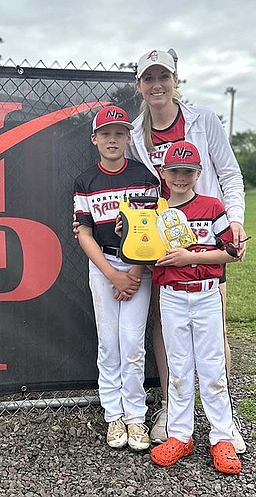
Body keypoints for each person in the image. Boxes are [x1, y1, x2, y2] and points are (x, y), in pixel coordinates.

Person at [128, 49, 247, 450]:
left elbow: (229, 172)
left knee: (216, 326)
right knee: (166, 326)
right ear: (140, 86)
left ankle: (224, 421)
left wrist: (235, 221)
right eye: (149, 78)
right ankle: (172, 409)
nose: (157, 84)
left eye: (164, 76)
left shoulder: (204, 119)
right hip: (163, 241)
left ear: (177, 79)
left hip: (207, 235)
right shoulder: (133, 134)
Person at [148, 140, 243, 475]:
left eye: (188, 172)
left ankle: (222, 437)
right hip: (172, 295)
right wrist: (127, 229)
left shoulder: (212, 206)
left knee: (213, 367)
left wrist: (192, 257)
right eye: (175, 171)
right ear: (164, 172)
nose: (181, 178)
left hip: (205, 294)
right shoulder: (156, 212)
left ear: (198, 173)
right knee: (179, 367)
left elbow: (231, 252)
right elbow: (140, 248)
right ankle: (180, 434)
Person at [73, 105, 159, 452]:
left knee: (133, 344)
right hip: (104, 265)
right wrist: (112, 274)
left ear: (129, 137)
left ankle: (136, 416)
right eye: (106, 133)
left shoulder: (143, 177)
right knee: (109, 342)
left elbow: (151, 230)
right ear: (94, 139)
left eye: (119, 133)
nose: (113, 139)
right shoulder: (85, 181)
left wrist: (134, 273)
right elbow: (84, 233)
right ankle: (114, 415)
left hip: (139, 268)